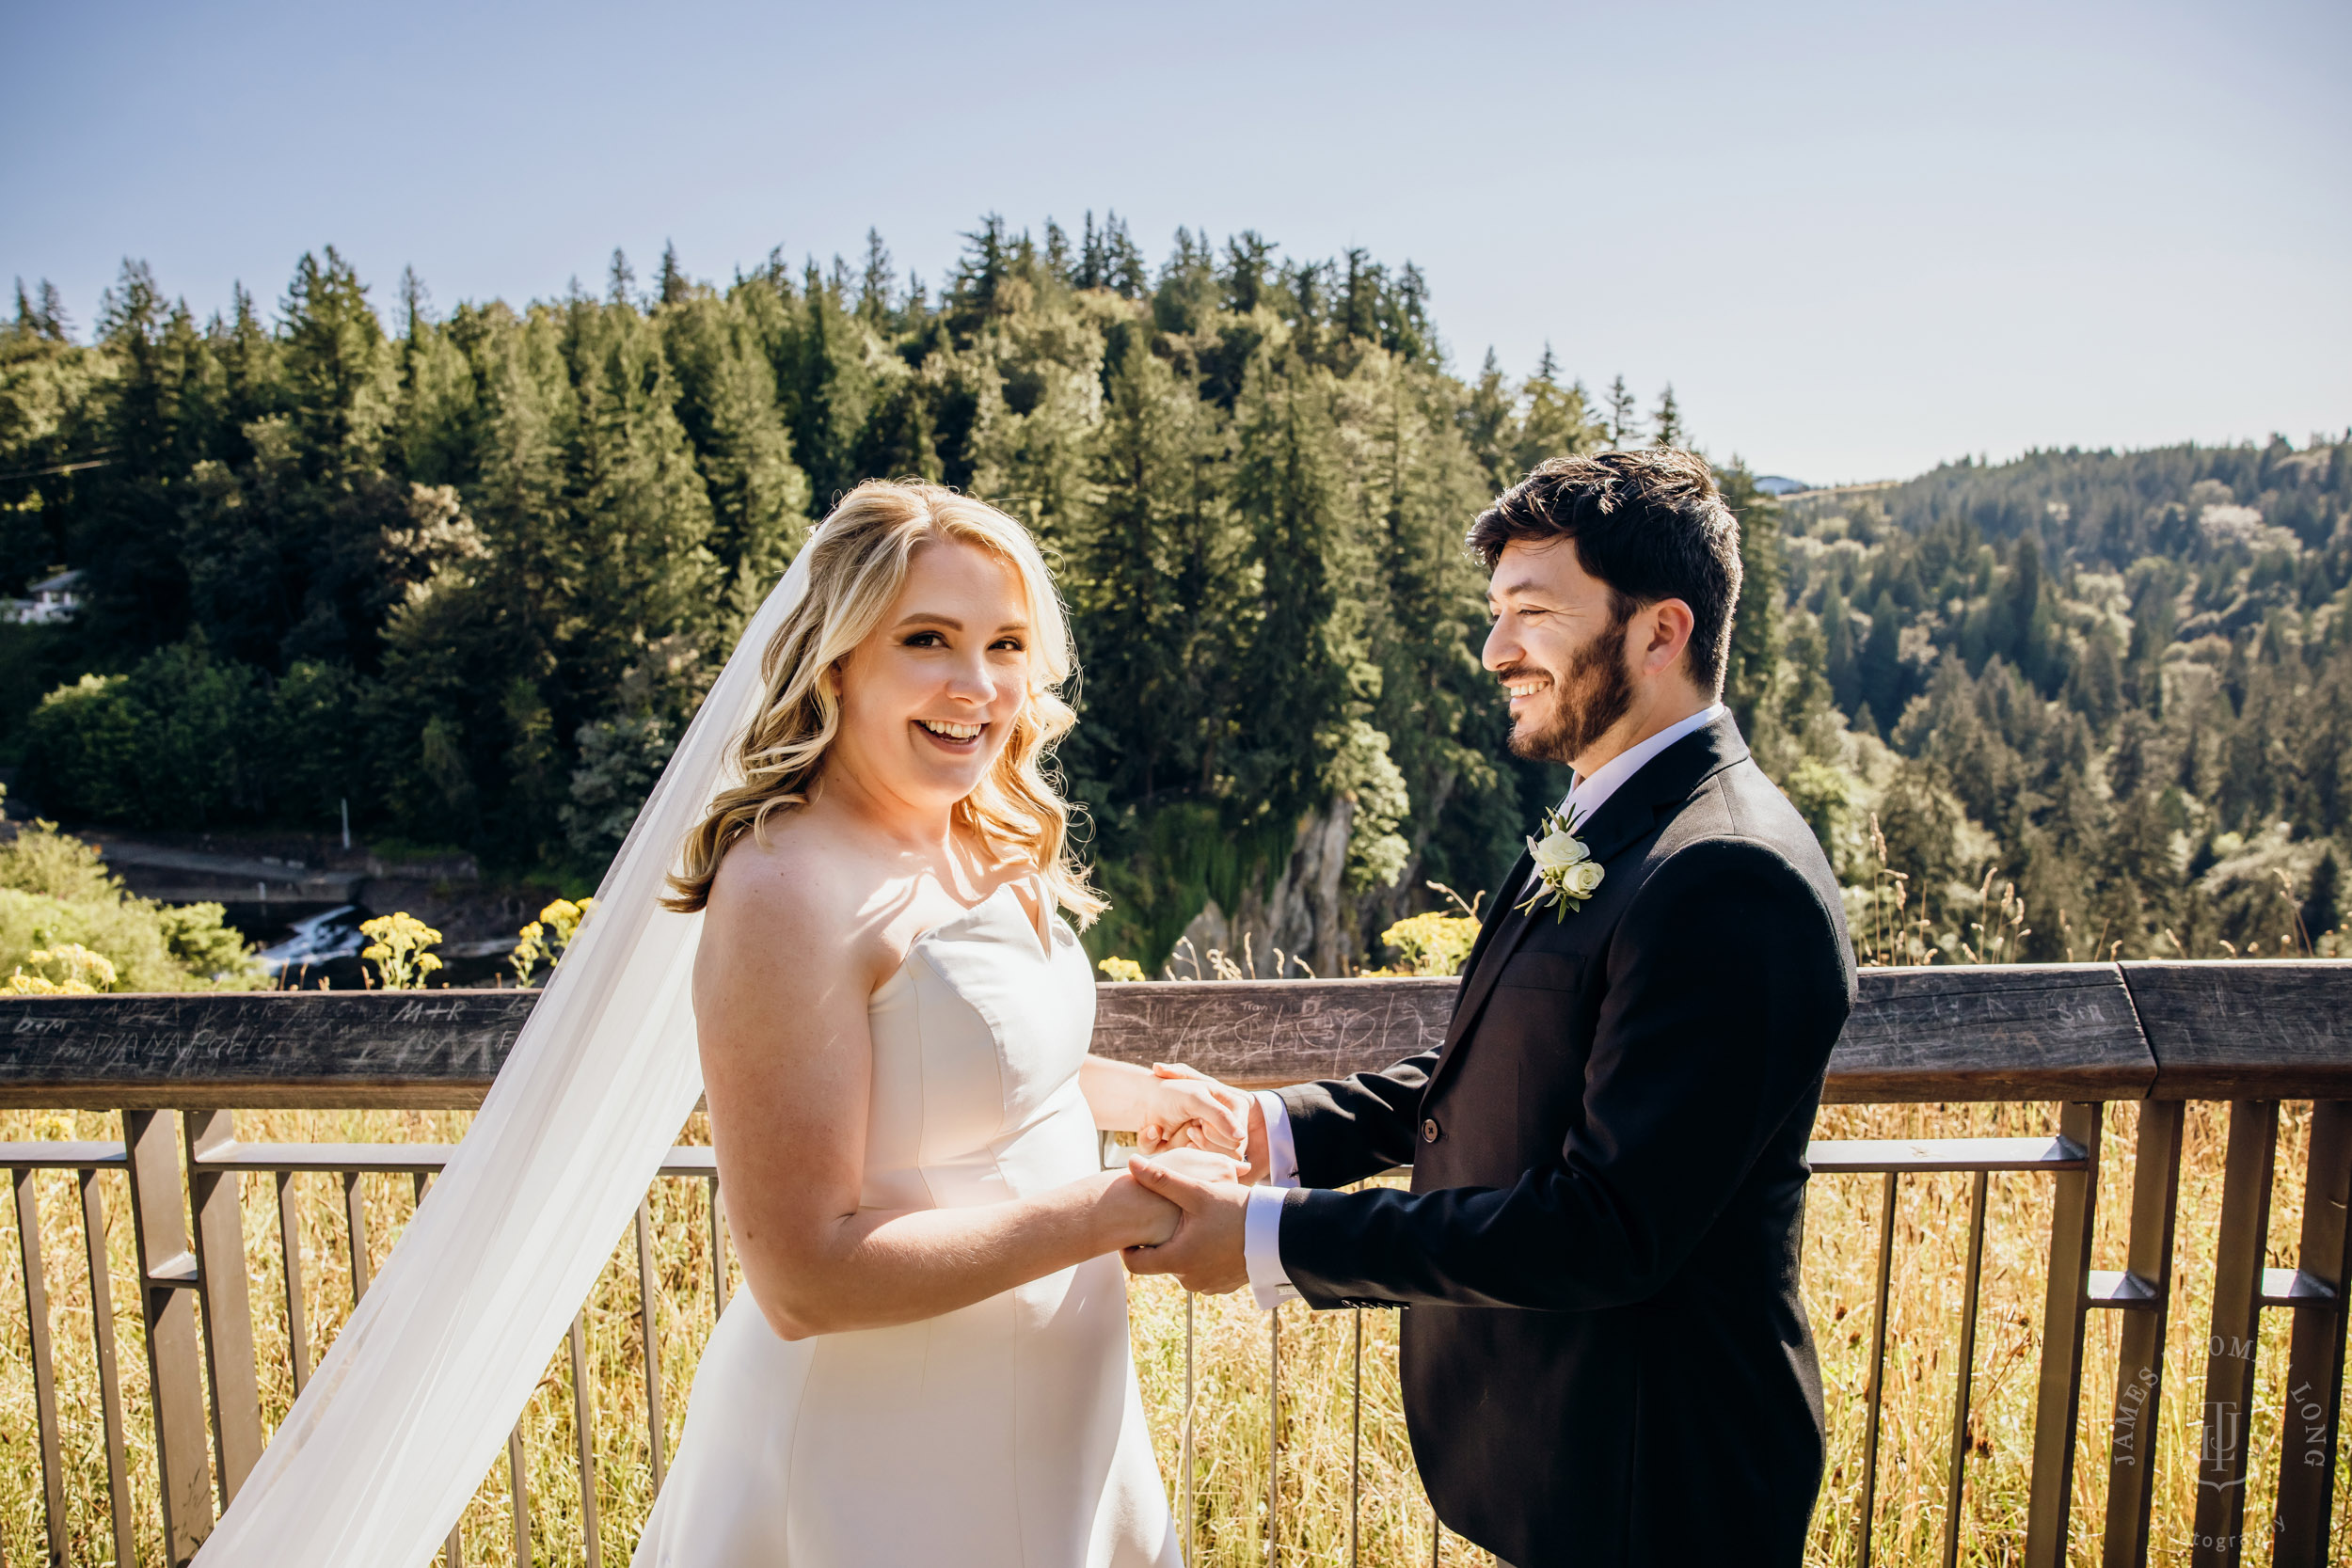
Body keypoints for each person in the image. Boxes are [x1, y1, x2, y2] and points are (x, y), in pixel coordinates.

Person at [1123, 450, 1858, 1568]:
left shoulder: (1727, 874)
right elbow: (1503, 1054)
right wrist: (1272, 1128)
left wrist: (1269, 1233)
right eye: (1495, 613)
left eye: (1533, 613)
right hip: (1568, 1461)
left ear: (1661, 632)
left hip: (1659, 1485)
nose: (1496, 650)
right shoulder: (1607, 816)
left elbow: (1606, 1228)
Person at [631, 481, 1250, 1566]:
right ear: (837, 659)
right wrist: (1114, 1207)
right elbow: (802, 1275)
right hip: (883, 1450)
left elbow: (972, 1068)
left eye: (1006, 644)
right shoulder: (786, 884)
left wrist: (1132, 1093)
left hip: (1051, 1408)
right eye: (928, 639)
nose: (978, 685)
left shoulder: (976, 830)